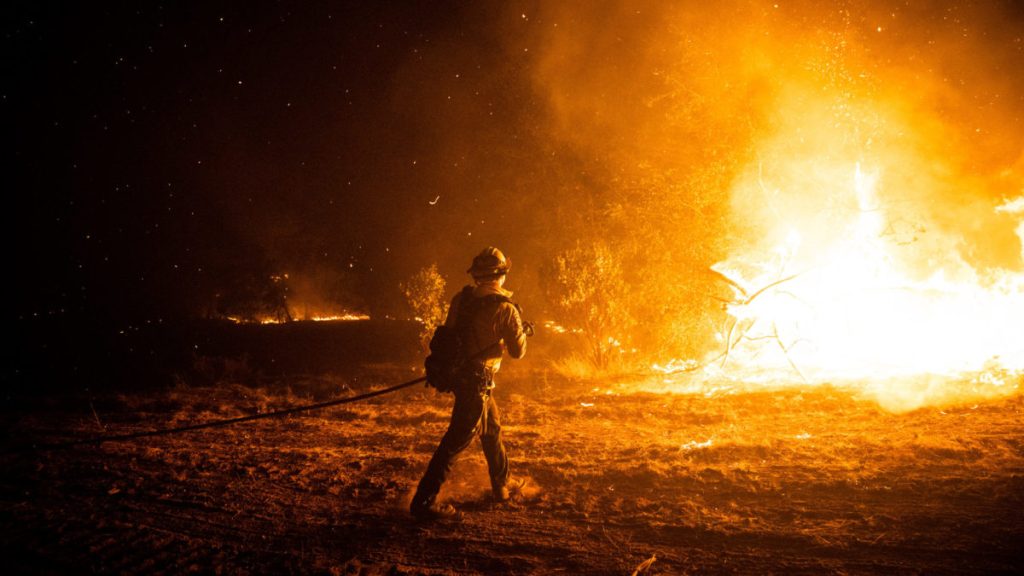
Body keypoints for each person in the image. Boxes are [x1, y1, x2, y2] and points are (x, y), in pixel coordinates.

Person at [410, 246, 530, 520]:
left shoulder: (460, 299)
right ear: (501, 275)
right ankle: (424, 502)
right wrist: (521, 331)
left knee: (492, 429)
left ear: (476, 275)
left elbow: (451, 337)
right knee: (455, 442)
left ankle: (501, 485)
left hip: (462, 378)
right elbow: (518, 352)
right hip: (477, 384)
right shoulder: (506, 309)